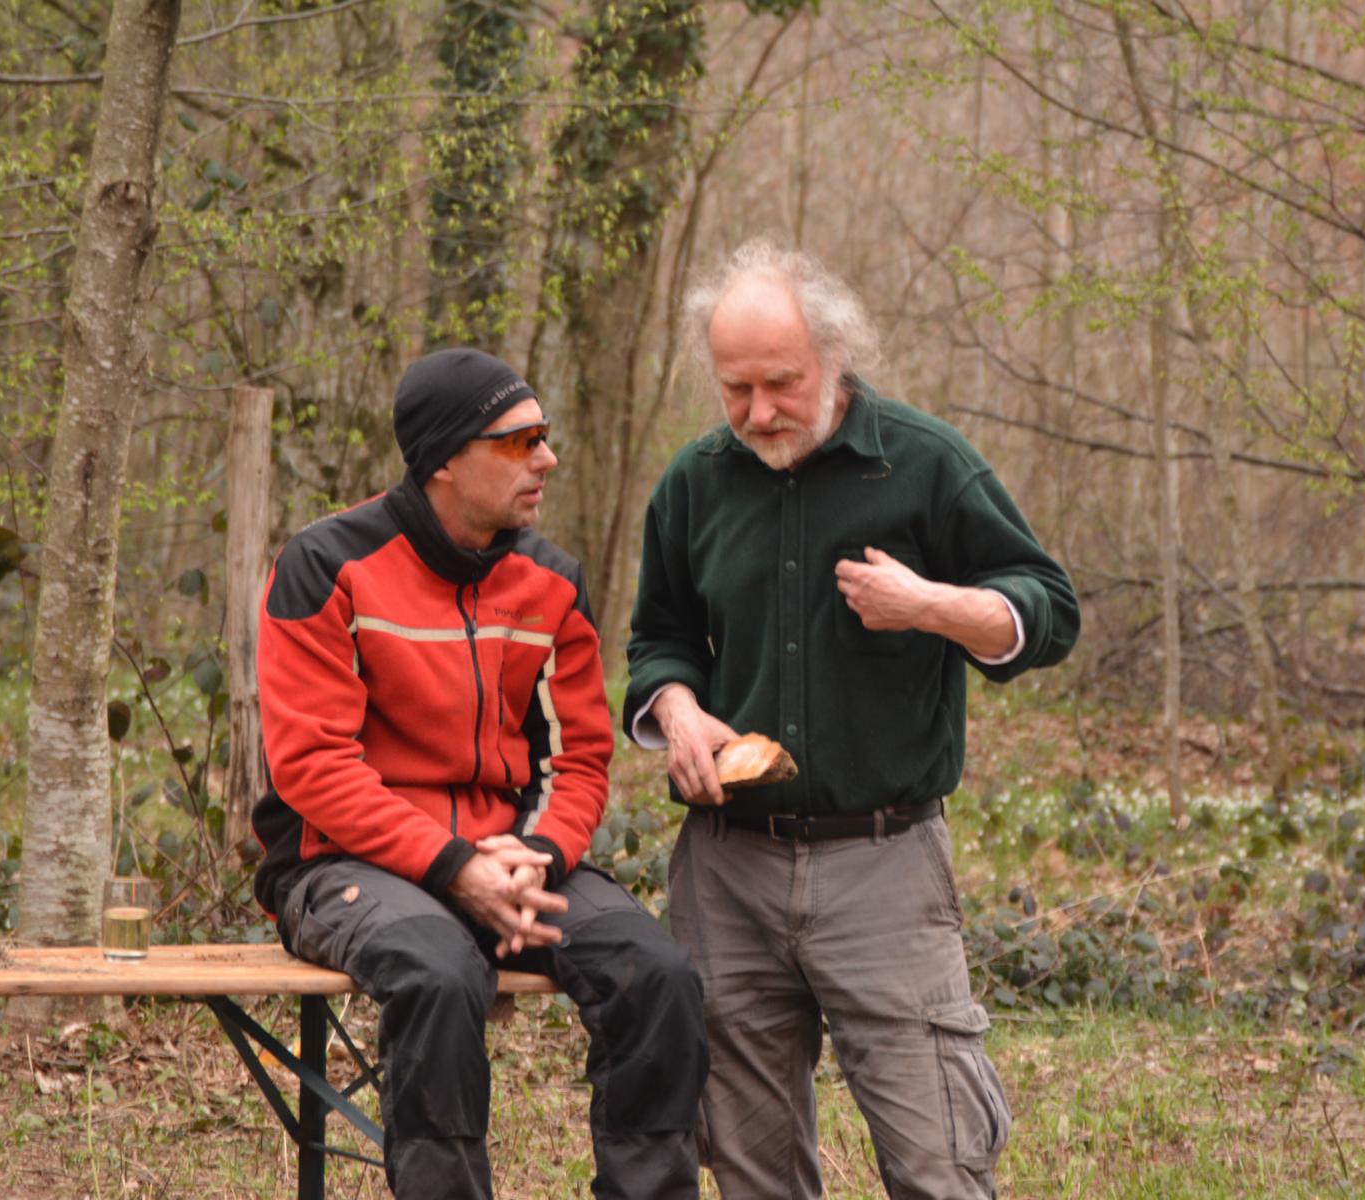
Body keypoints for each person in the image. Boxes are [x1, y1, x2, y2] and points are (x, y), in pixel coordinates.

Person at [625, 240, 1080, 1200]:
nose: (759, 412)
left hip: (885, 866)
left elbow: (1049, 610)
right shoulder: (694, 481)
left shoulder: (926, 464)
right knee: (751, 1169)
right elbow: (660, 637)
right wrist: (677, 707)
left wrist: (932, 605)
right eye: (736, 388)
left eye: (781, 383)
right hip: (728, 871)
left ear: (834, 355)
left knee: (937, 1162)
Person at [253, 347, 708, 1200]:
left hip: (513, 856)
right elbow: (313, 768)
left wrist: (537, 856)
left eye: (546, 436)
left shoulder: (552, 581)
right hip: (342, 860)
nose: (548, 459)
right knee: (438, 970)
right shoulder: (325, 565)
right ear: (444, 461)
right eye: (520, 441)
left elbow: (579, 759)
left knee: (656, 974)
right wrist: (454, 867)